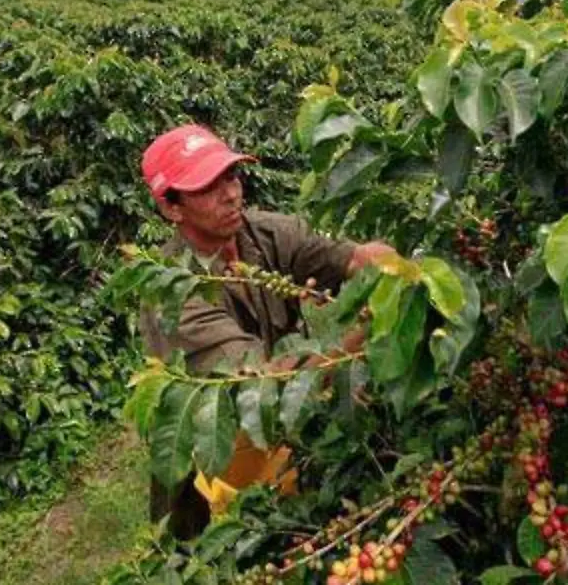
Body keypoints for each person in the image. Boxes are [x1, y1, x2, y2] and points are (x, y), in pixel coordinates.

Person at [138, 123, 396, 539]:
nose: (231, 194)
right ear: (172, 208)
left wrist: (399, 271)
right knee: (223, 542)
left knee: (297, 524)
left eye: (231, 176)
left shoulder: (265, 233)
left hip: (278, 431)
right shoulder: (170, 296)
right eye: (207, 188)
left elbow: (352, 257)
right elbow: (269, 381)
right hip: (218, 446)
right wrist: (366, 329)